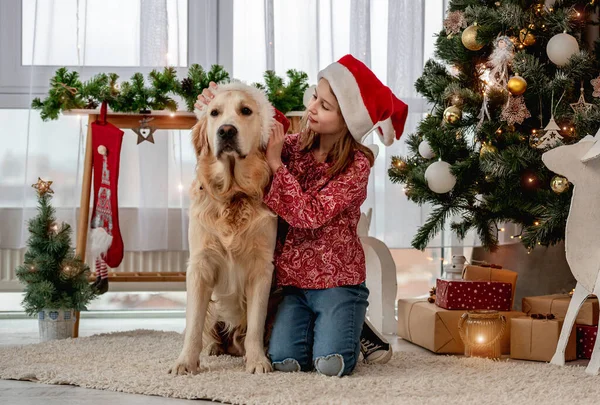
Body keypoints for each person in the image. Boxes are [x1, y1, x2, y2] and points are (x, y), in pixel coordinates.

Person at [196, 54, 407, 376]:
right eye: (314, 98)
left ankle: (352, 322)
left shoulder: (356, 166)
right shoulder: (296, 145)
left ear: (349, 119)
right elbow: (262, 124)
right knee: (284, 361)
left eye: (324, 106)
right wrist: (223, 99)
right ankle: (327, 323)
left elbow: (309, 214)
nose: (311, 108)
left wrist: (277, 166)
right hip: (294, 284)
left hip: (337, 282)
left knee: (330, 364)